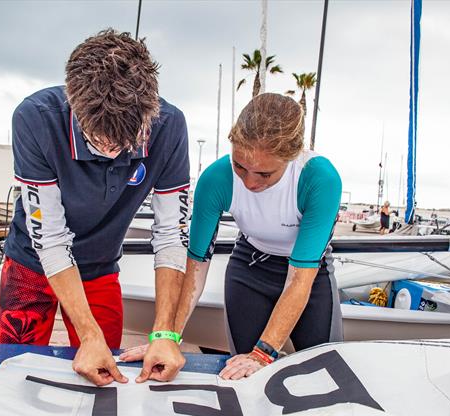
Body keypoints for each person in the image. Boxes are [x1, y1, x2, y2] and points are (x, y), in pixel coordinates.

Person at [0, 30, 191, 386]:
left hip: (99, 266)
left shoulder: (170, 125)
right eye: (99, 138)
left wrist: (164, 334)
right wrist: (87, 334)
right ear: (73, 103)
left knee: (105, 373)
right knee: (8, 371)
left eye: (126, 140)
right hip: (31, 262)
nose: (114, 151)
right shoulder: (34, 118)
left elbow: (171, 236)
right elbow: (49, 238)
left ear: (150, 110)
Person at [121, 93, 343, 380]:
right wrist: (166, 338)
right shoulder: (216, 179)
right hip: (250, 268)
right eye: (240, 166)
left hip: (310, 277)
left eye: (264, 174)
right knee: (242, 372)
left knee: (324, 370)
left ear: (292, 156)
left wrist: (264, 353)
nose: (249, 182)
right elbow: (195, 270)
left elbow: (299, 279)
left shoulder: (319, 179)